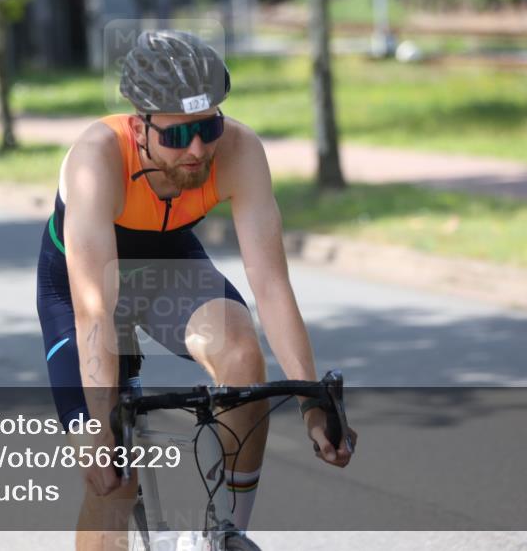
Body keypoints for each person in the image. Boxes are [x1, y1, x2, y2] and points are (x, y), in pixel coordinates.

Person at [36, 30, 355, 550]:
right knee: (115, 477)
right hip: (82, 290)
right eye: (178, 136)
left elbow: (271, 287)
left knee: (242, 356)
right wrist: (99, 427)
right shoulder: (97, 159)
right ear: (139, 125)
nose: (200, 149)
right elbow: (94, 309)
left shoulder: (240, 150)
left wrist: (312, 403)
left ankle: (224, 534)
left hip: (168, 265)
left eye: (208, 126)